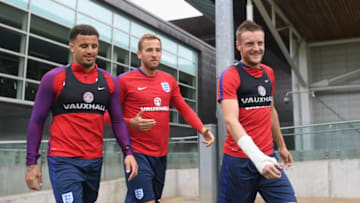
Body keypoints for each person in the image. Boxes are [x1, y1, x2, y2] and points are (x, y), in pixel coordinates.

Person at [25, 24, 138, 203]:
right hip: (63, 160)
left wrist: (128, 152)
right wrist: (31, 163)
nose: (90, 51)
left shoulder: (109, 82)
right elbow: (37, 121)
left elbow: (117, 121)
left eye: (94, 46)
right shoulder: (54, 78)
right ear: (72, 47)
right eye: (84, 46)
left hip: (94, 160)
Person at [105, 33, 215, 203]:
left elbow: (184, 108)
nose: (154, 54)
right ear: (139, 54)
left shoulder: (168, 80)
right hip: (136, 154)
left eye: (158, 50)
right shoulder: (124, 81)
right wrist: (131, 123)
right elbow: (106, 115)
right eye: (149, 50)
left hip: (161, 156)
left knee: (142, 199)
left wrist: (202, 129)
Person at [217, 20, 296, 203]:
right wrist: (257, 159)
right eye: (249, 44)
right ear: (238, 46)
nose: (256, 48)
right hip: (239, 162)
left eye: (260, 43)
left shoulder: (268, 73)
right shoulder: (230, 76)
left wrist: (282, 147)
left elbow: (271, 111)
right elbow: (230, 121)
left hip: (268, 157)